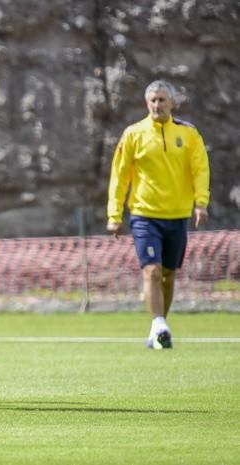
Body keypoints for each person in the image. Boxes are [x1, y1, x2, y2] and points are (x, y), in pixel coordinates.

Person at [107, 79, 210, 349]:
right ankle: (159, 324)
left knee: (168, 274)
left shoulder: (189, 134)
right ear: (146, 103)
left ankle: (158, 328)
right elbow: (120, 176)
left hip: (177, 215)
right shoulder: (133, 134)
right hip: (144, 214)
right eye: (153, 100)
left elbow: (200, 169)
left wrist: (201, 203)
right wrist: (114, 214)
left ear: (172, 103)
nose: (157, 104)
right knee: (151, 270)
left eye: (162, 100)